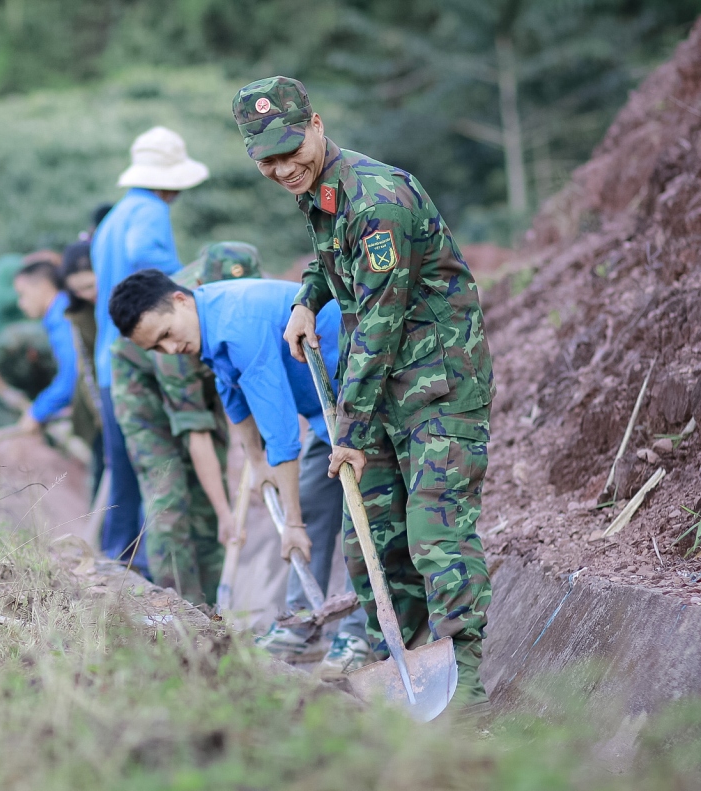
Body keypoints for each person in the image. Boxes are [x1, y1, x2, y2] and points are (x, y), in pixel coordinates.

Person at [232, 76, 496, 714]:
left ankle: (468, 699)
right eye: (268, 159)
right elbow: (330, 259)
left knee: (436, 532)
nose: (283, 167)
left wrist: (346, 429)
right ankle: (400, 678)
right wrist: (305, 300)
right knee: (373, 533)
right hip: (379, 389)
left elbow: (380, 319)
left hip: (436, 385)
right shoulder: (321, 192)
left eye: (291, 149)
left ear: (317, 125)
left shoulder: (377, 198)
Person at [108, 270, 372, 675]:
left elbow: (282, 434)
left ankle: (361, 633)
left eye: (166, 334)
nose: (170, 348)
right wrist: (254, 460)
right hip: (327, 417)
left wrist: (292, 522)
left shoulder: (238, 325)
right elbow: (235, 398)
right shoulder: (208, 325)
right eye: (157, 348)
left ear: (179, 301)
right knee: (317, 505)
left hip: (360, 405)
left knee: (364, 518)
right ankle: (301, 624)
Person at [110, 242, 257, 607]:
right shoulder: (169, 336)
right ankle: (178, 611)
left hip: (203, 378)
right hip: (144, 392)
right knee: (169, 498)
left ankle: (212, 613)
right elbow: (197, 432)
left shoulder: (245, 295)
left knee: (209, 499)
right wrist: (228, 515)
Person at [90, 126, 209, 571]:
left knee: (123, 466)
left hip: (110, 362)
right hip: (143, 358)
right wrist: (189, 289)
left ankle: (116, 560)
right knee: (155, 467)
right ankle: (140, 569)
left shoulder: (113, 217)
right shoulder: (150, 213)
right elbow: (148, 257)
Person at [0, 252, 57, 428]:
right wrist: (6, 393)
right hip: (2, 350)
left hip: (27, 357)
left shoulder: (46, 331)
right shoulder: (6, 267)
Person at [11, 259, 77, 433]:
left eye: (22, 293)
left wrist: (37, 412)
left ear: (43, 286)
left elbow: (73, 374)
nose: (21, 303)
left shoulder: (64, 318)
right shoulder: (62, 312)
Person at [60, 241, 105, 499]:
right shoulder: (78, 316)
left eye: (90, 286)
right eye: (78, 290)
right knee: (101, 469)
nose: (87, 294)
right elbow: (86, 369)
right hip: (96, 406)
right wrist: (102, 414)